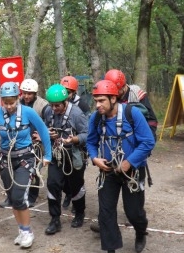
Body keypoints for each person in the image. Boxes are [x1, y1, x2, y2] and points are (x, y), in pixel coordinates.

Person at [0, 82, 51, 248]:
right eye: (6, 103)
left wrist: (48, 155)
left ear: (18, 99)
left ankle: (28, 232)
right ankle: (22, 230)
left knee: (19, 197)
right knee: (12, 198)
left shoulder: (28, 112)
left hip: (25, 158)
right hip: (6, 160)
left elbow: (43, 130)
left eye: (12, 102)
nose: (10, 106)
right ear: (2, 101)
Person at [86, 80, 155, 253]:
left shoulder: (132, 114)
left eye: (102, 100)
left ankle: (140, 231)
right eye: (95, 100)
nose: (97, 105)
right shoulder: (95, 118)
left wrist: (129, 162)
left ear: (113, 99)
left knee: (133, 212)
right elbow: (91, 142)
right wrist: (95, 158)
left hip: (132, 170)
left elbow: (148, 142)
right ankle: (111, 249)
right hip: (108, 170)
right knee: (106, 213)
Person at [41, 84, 88, 234]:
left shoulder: (77, 114)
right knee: (52, 184)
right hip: (57, 155)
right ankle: (55, 219)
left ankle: (79, 213)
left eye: (57, 106)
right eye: (51, 105)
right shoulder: (48, 111)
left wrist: (73, 139)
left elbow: (87, 134)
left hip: (73, 155)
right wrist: (48, 134)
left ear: (65, 102)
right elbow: (44, 128)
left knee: (76, 186)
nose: (54, 109)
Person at [0, 78, 49, 208]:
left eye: (30, 93)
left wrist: (43, 135)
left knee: (34, 170)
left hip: (35, 143)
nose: (27, 96)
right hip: (16, 143)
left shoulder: (43, 105)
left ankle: (31, 196)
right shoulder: (15, 102)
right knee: (12, 171)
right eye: (25, 93)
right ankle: (12, 196)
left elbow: (47, 123)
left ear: (35, 93)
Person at [60, 75, 91, 210]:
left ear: (73, 92)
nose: (65, 94)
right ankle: (68, 193)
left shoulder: (82, 105)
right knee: (63, 176)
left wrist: (78, 139)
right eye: (64, 91)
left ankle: (76, 200)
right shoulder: (57, 103)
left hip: (78, 145)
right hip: (62, 145)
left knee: (77, 176)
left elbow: (87, 127)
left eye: (68, 92)